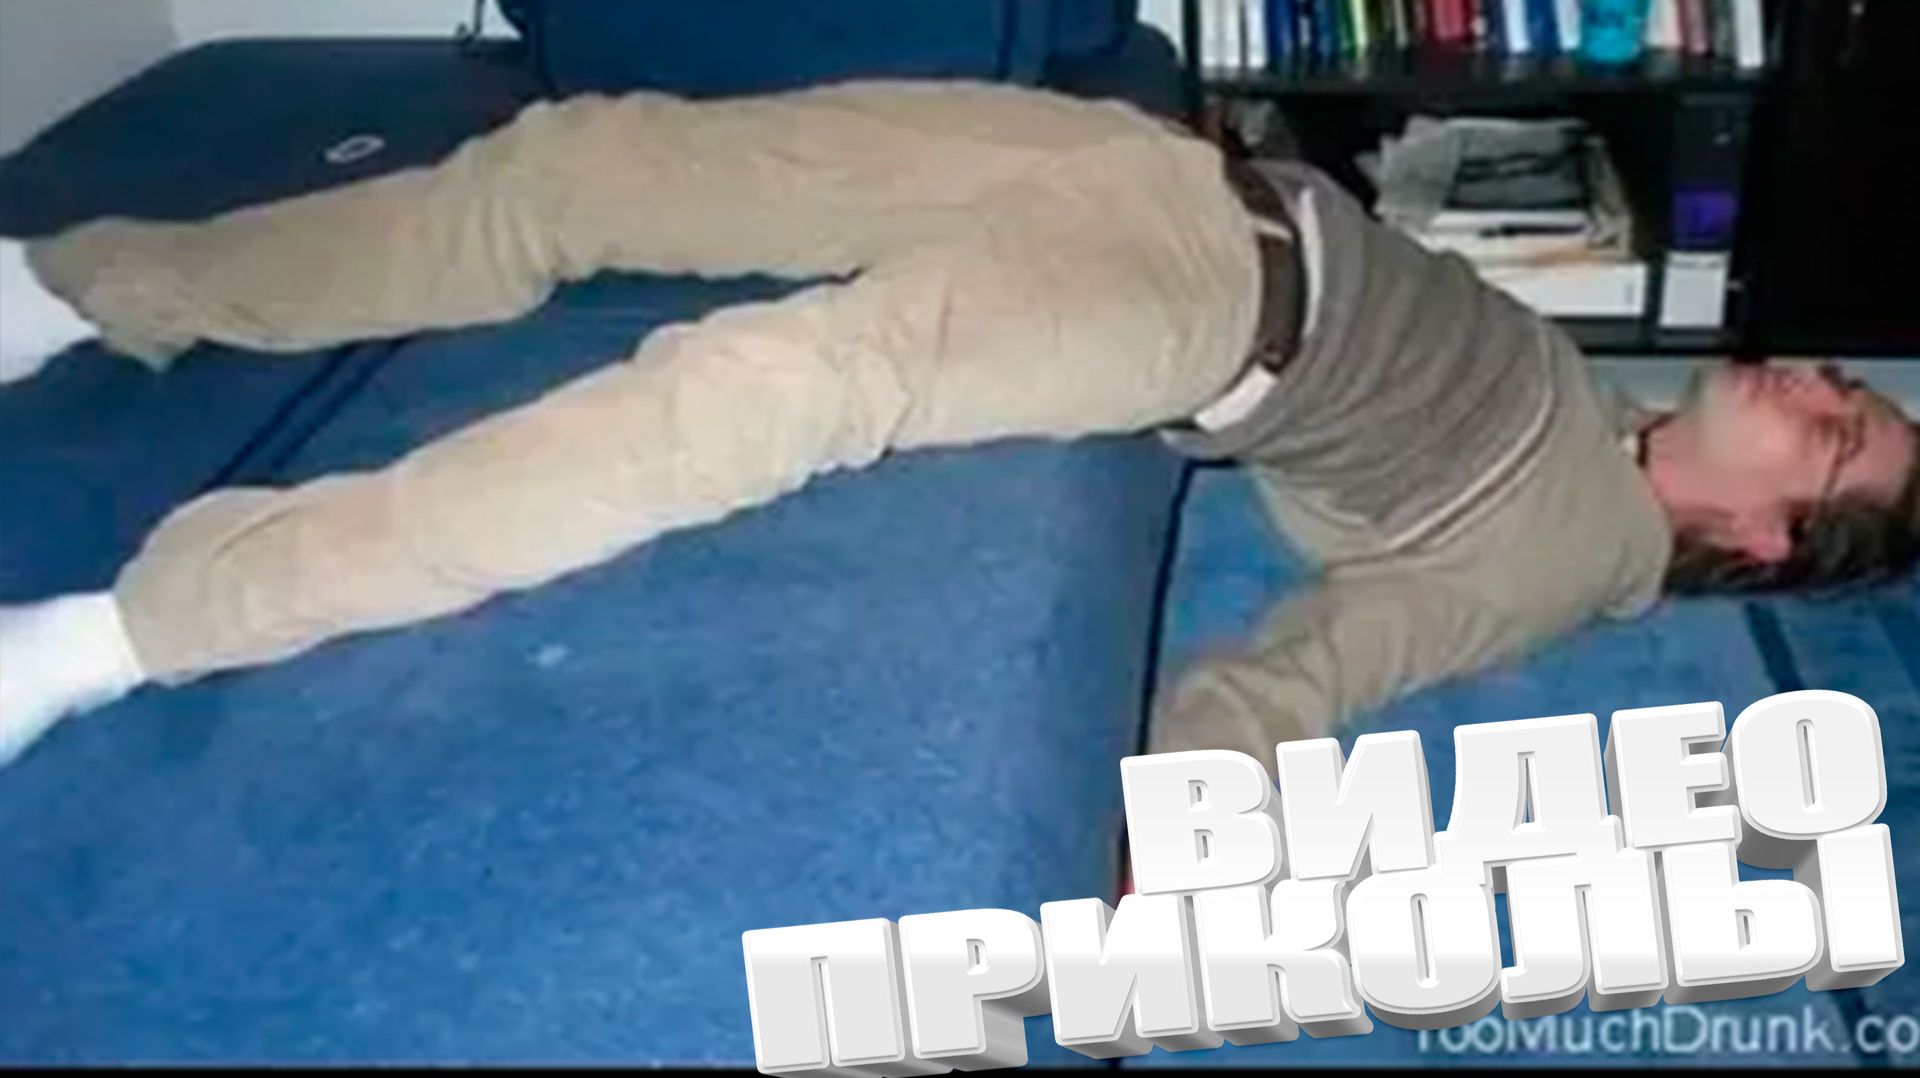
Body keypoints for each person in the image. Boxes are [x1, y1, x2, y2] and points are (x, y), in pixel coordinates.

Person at [0, 80, 1915, 772]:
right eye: (1851, 391)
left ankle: (132, 631)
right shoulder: (1602, 414)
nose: (1825, 383)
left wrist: (1156, 820)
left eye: (1837, 435)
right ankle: (88, 286)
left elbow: (1306, 673)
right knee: (585, 163)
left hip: (1188, 300)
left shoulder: (1572, 551)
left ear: (1761, 543)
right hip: (1147, 175)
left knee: (748, 397)